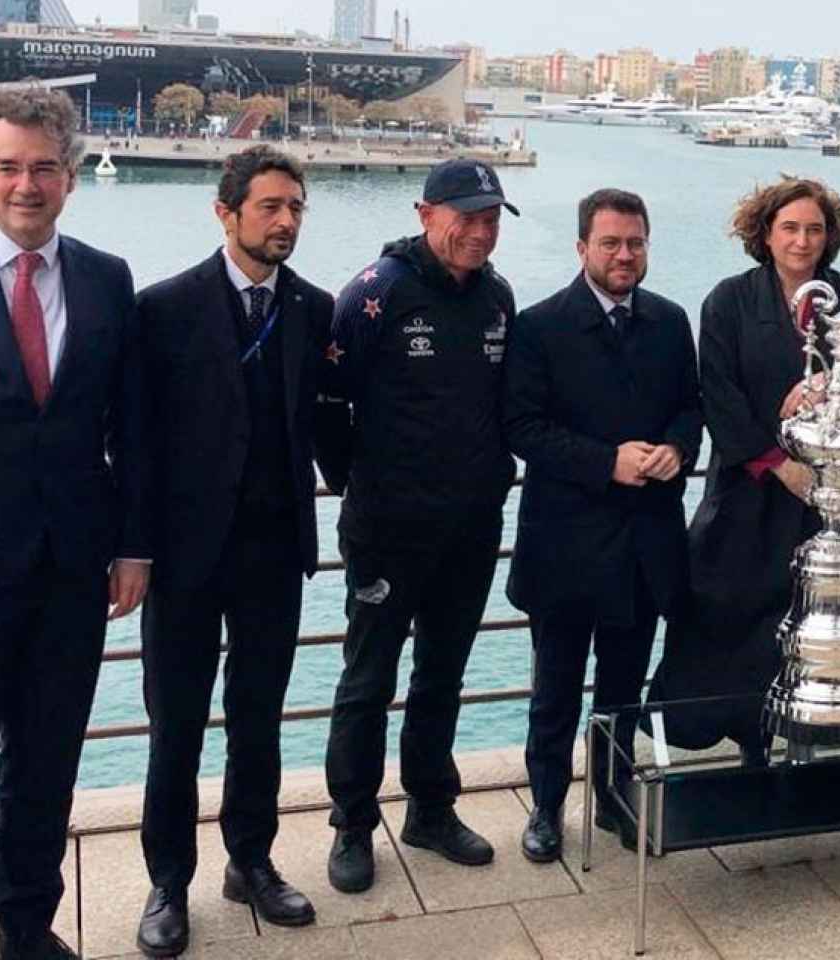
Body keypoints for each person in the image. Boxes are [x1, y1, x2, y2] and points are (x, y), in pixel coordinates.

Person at [0, 86, 150, 960]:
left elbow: (129, 429)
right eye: (8, 167)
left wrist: (132, 545)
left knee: (45, 772)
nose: (27, 184)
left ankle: (26, 928)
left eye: (44, 167)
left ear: (70, 178)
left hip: (71, 572)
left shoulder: (105, 277)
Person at [132, 146, 332, 956]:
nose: (285, 221)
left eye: (295, 208)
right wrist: (134, 549)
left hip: (275, 550)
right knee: (174, 725)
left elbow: (330, 422)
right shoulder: (164, 308)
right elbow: (136, 442)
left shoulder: (314, 309)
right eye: (270, 207)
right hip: (183, 557)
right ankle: (167, 881)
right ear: (227, 213)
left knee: (259, 719)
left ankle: (250, 859)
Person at [646, 176, 840, 759]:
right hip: (750, 495)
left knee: (819, 624)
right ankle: (747, 746)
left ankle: (813, 741)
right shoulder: (729, 300)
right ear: (765, 234)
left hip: (834, 500)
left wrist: (835, 381)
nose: (802, 240)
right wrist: (776, 463)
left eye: (814, 229)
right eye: (789, 228)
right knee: (730, 619)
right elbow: (717, 393)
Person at [316, 159, 519, 893]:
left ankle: (430, 808)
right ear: (426, 213)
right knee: (368, 680)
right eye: (465, 216)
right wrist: (360, 488)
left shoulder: (497, 297)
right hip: (387, 529)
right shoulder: (376, 294)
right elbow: (327, 406)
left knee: (443, 674)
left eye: (492, 217)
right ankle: (351, 824)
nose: (479, 230)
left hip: (470, 527)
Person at [505, 189, 701, 862]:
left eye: (636, 243)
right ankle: (546, 807)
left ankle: (614, 797)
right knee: (554, 691)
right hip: (565, 543)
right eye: (612, 243)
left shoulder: (672, 322)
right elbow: (522, 428)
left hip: (646, 544)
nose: (625, 255)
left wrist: (678, 450)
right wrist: (605, 462)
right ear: (582, 246)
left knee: (623, 689)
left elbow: (690, 409)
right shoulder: (539, 326)